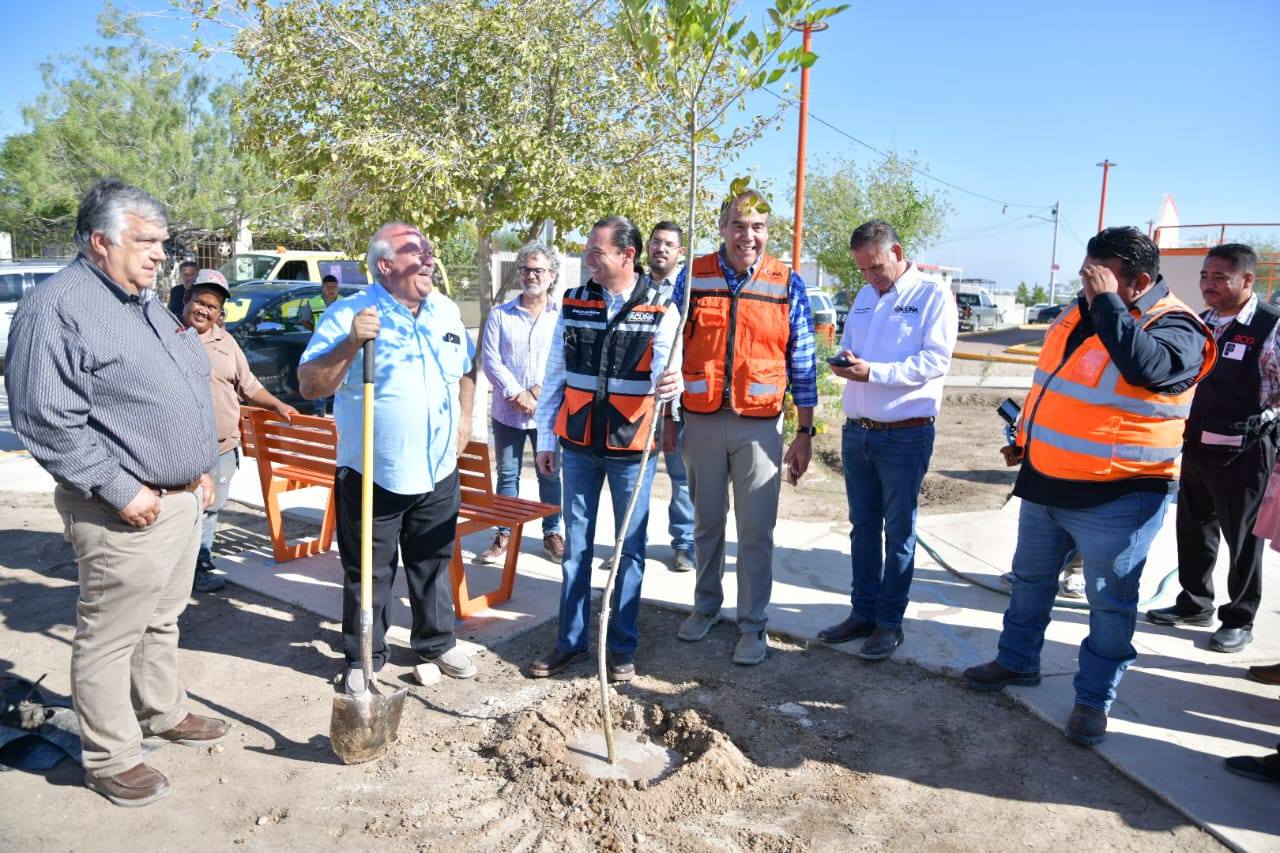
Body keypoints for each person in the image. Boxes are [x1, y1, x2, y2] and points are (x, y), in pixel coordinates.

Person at [5, 178, 225, 807]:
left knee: (162, 619)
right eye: (147, 241)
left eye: (162, 241)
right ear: (101, 242)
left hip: (180, 499)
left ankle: (161, 711)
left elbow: (176, 392)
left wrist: (200, 465)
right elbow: (46, 418)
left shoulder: (144, 302)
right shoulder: (57, 308)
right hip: (122, 507)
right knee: (110, 634)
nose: (161, 253)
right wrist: (120, 487)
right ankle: (110, 756)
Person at [963, 226, 1215, 746]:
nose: (1086, 284)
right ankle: (1016, 661)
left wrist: (1107, 305)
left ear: (1139, 280)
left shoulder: (1180, 328)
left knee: (1109, 604)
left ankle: (1092, 701)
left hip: (1119, 496)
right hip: (1047, 483)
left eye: (1097, 276)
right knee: (1030, 584)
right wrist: (1028, 439)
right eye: (1085, 273)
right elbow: (1057, 385)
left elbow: (1147, 369)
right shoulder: (1081, 312)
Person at [298, 223, 477, 691]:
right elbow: (311, 384)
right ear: (385, 265)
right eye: (414, 251)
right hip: (375, 471)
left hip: (438, 466)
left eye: (429, 251)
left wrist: (464, 421)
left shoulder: (445, 310)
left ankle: (436, 642)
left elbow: (467, 368)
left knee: (433, 560)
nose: (428, 259)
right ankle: (364, 658)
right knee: (370, 572)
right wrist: (352, 342)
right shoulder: (350, 314)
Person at [666, 188, 818, 666]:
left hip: (759, 428)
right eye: (738, 225)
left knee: (755, 532)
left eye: (757, 227)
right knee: (706, 525)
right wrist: (669, 417)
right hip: (702, 422)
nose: (747, 235)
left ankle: (753, 625)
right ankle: (705, 606)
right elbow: (668, 345)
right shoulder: (693, 277)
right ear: (722, 228)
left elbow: (804, 361)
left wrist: (805, 432)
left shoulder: (786, 282)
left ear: (767, 232)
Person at [528, 216, 681, 682]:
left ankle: (621, 649)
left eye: (597, 251)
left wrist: (673, 386)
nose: (588, 259)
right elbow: (554, 373)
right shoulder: (574, 301)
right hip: (576, 445)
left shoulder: (661, 306)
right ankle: (570, 642)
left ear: (627, 255)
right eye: (588, 251)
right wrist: (545, 436)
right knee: (576, 548)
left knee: (629, 549)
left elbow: (665, 374)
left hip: (631, 449)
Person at [819, 219, 957, 660]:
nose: (871, 278)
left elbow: (934, 361)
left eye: (876, 267)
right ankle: (862, 612)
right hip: (858, 433)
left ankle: (889, 622)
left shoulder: (932, 296)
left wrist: (875, 373)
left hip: (904, 436)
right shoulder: (864, 297)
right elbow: (850, 345)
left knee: (899, 532)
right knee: (863, 529)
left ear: (897, 252)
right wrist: (844, 362)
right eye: (862, 270)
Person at [1147, 244, 1279, 653]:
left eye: (1219, 278)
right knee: (1193, 528)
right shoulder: (1201, 322)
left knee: (1243, 541)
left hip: (1246, 453)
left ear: (1246, 280)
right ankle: (1194, 602)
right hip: (1197, 446)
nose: (1208, 285)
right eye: (1205, 276)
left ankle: (1239, 618)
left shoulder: (1270, 326)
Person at [181, 268, 298, 593]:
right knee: (182, 512)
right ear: (188, 298)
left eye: (212, 306)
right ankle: (178, 571)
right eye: (199, 301)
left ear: (220, 313)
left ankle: (199, 568)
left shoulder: (226, 342)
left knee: (211, 510)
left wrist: (276, 404)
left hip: (221, 448)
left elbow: (248, 385)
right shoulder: (169, 337)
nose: (203, 309)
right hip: (179, 450)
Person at [477, 240, 564, 564]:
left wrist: (538, 394)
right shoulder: (500, 315)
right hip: (508, 413)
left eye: (538, 269)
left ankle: (552, 532)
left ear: (551, 275)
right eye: (525, 269)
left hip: (548, 413)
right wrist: (518, 395)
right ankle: (504, 534)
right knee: (508, 475)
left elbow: (567, 358)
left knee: (550, 473)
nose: (531, 275)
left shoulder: (562, 315)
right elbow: (491, 359)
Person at [647, 221, 696, 572]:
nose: (661, 248)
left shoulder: (689, 290)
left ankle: (684, 544)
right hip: (639, 403)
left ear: (680, 252)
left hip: (680, 403)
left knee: (681, 478)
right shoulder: (634, 286)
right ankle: (629, 544)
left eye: (669, 244)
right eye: (656, 242)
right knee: (637, 477)